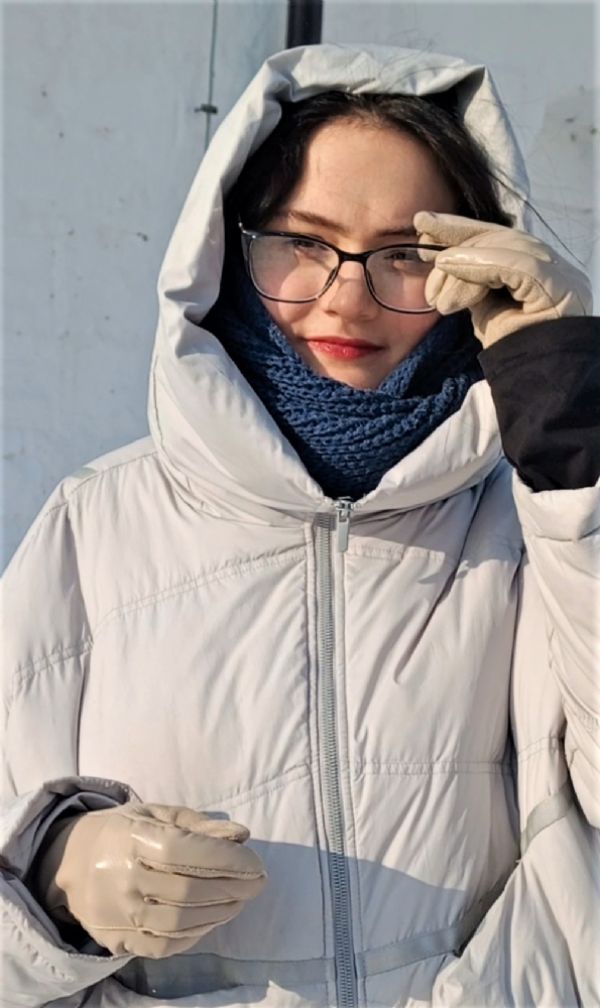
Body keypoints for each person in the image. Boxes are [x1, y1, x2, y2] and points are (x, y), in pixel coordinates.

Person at [1, 42, 598, 1008]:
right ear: (228, 247)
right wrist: (56, 879)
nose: (347, 297)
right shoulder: (96, 526)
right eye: (303, 242)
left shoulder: (542, 517)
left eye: (407, 255)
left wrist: (569, 427)